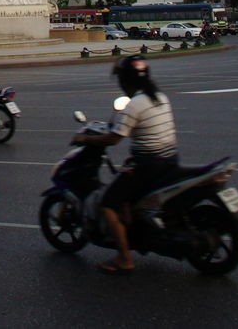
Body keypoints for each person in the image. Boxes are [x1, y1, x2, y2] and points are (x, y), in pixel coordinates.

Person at [72, 56, 179, 274]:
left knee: (109, 202)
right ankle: (131, 217)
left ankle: (124, 258)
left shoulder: (135, 104)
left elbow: (114, 138)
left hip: (148, 165)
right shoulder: (160, 97)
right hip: (170, 160)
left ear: (126, 81)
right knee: (124, 179)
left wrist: (86, 140)